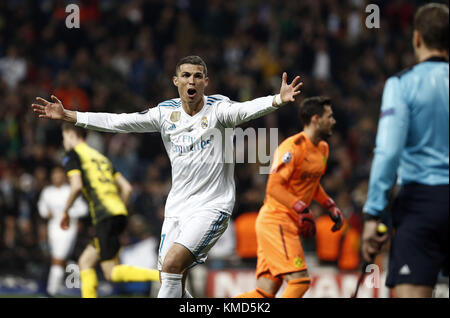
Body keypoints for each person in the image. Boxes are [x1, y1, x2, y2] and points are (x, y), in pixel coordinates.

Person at [31, 55, 303, 298]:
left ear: (206, 82)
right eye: (185, 75)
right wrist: (70, 115)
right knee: (170, 278)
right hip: (177, 209)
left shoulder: (219, 110)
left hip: (212, 206)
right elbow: (119, 122)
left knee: (172, 265)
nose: (191, 80)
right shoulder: (165, 114)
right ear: (176, 81)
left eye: (197, 75)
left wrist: (277, 99)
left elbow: (245, 109)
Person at [362, 3, 449, 298]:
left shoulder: (401, 84)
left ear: (417, 39)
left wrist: (373, 214)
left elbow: (388, 151)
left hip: (421, 205)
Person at [235, 96, 344, 298]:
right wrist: (302, 208)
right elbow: (273, 187)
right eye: (329, 116)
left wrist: (330, 205)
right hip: (276, 220)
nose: (333, 121)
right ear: (315, 119)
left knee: (264, 292)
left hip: (287, 223)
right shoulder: (292, 147)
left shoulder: (323, 149)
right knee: (300, 281)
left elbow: (312, 183)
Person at [50, 123, 159, 298]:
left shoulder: (73, 155)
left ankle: (161, 276)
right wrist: (119, 212)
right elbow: (127, 189)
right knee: (85, 262)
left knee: (111, 272)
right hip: (118, 213)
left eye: (63, 138)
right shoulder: (101, 158)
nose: (64, 143)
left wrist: (65, 211)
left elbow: (76, 186)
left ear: (70, 135)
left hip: (105, 216)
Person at [38, 165, 88, 296]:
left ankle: (51, 291)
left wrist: (68, 213)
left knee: (58, 258)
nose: (56, 177)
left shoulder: (70, 191)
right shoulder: (47, 191)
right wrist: (46, 213)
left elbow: (83, 209)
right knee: (60, 259)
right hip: (53, 228)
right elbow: (42, 208)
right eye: (54, 174)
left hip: (67, 228)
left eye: (59, 174)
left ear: (64, 176)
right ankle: (79, 283)